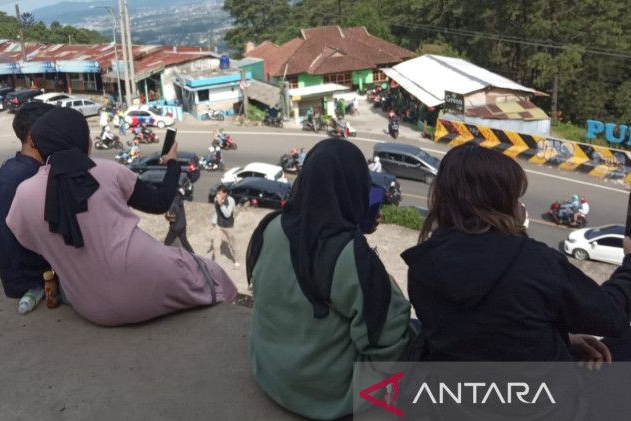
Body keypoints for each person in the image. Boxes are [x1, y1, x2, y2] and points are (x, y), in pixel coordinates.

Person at [6, 107, 236, 326]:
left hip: (89, 307)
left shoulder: (24, 193)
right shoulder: (108, 171)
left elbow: (30, 240)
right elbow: (158, 203)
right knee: (210, 271)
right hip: (149, 280)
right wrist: (172, 163)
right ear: (82, 141)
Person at [402, 144, 631, 362]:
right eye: (514, 197)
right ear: (501, 203)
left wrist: (564, 339)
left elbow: (482, 333)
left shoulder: (421, 267)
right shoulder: (535, 262)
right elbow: (612, 318)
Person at [247, 139, 413, 419]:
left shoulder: (269, 227)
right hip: (326, 395)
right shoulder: (351, 257)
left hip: (268, 371)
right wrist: (362, 252)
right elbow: (391, 332)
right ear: (355, 186)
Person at [0, 102, 54, 303]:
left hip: (13, 277)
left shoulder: (11, 166)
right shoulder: (33, 176)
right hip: (32, 279)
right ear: (33, 139)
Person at [208, 184, 239, 269]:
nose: (218, 194)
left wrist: (221, 204)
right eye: (217, 192)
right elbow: (216, 212)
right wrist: (213, 223)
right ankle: (217, 265)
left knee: (233, 244)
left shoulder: (231, 200)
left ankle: (236, 261)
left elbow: (227, 214)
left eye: (220, 193)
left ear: (225, 193)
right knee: (216, 245)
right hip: (219, 225)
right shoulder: (216, 199)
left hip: (228, 225)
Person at [163, 178, 195, 254]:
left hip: (175, 228)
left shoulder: (172, 202)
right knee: (185, 242)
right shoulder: (179, 198)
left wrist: (166, 215)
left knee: (166, 244)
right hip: (183, 224)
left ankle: (165, 258)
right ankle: (194, 256)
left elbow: (172, 218)